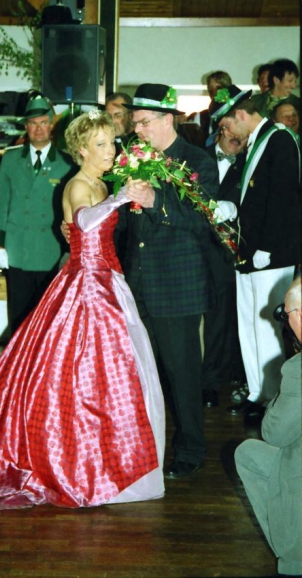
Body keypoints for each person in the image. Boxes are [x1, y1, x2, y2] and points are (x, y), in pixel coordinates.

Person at [0, 110, 166, 510]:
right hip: (88, 288)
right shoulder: (78, 183)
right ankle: (84, 462)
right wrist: (120, 198)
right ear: (82, 150)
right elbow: (85, 221)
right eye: (101, 144)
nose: (111, 150)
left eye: (111, 142)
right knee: (81, 374)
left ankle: (108, 459)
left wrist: (121, 196)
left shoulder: (99, 182)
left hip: (107, 283)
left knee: (111, 375)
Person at [118, 83, 234, 479]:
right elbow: (126, 224)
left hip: (177, 286)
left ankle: (190, 450)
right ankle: (143, 448)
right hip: (138, 282)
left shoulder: (197, 160)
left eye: (143, 122)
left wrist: (156, 202)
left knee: (182, 376)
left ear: (168, 119)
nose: (137, 130)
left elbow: (203, 220)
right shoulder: (134, 158)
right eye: (135, 123)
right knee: (140, 374)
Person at [209, 85, 301, 418]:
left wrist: (267, 247)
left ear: (241, 114)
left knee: (267, 327)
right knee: (248, 324)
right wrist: (232, 208)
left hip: (270, 254)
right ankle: (257, 391)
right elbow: (254, 196)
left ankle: (274, 398)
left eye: (227, 125)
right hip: (247, 251)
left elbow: (283, 198)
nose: (227, 132)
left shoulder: (279, 139)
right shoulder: (255, 143)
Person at [235, 276, 302, 578]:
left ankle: (294, 556)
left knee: (254, 452)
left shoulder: (297, 369)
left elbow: (274, 433)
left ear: (299, 315)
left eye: (285, 315)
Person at [0, 95, 77, 333]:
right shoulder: (10, 159)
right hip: (18, 248)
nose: (38, 129)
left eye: (43, 123)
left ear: (51, 126)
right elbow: (1, 204)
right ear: (26, 127)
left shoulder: (67, 163)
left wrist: (70, 248)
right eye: (33, 123)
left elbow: (71, 210)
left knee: (48, 317)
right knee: (19, 315)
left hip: (50, 250)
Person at [202, 126, 247, 408]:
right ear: (221, 127)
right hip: (190, 250)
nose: (236, 137)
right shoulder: (196, 157)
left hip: (224, 255)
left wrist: (235, 209)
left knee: (218, 321)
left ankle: (210, 383)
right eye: (231, 129)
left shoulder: (249, 164)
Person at [188, 70, 233, 146]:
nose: (214, 92)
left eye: (218, 87)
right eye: (211, 88)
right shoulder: (201, 116)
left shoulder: (237, 114)